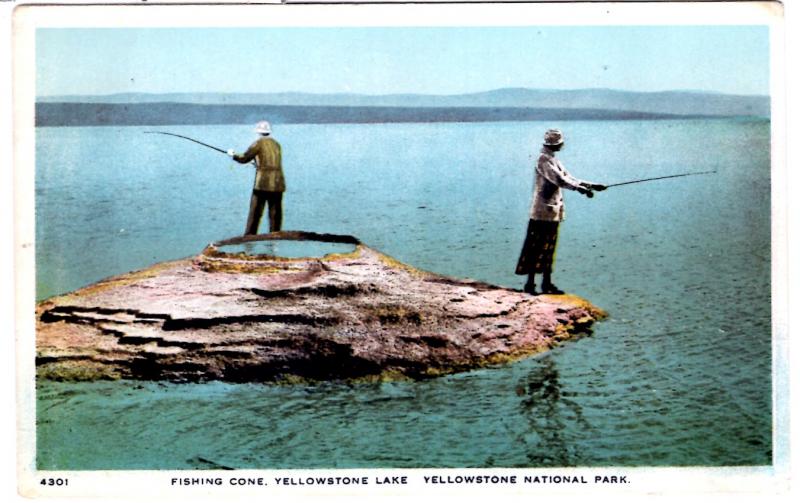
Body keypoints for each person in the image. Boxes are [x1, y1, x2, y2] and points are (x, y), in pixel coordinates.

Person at [515, 128, 606, 295]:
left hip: (551, 212)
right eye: (561, 143)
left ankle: (546, 284)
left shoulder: (552, 159)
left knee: (549, 248)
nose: (563, 145)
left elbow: (569, 177)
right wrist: (580, 189)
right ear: (556, 144)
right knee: (536, 247)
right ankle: (531, 284)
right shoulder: (543, 160)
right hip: (542, 212)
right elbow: (559, 179)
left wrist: (590, 185)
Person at [227, 121, 285, 235]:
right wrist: (258, 164)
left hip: (262, 184)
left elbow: (244, 158)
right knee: (275, 215)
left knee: (255, 213)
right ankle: (275, 240)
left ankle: (249, 239)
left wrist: (232, 155)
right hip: (278, 183)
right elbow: (271, 161)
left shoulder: (257, 143)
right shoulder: (277, 144)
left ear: (258, 132)